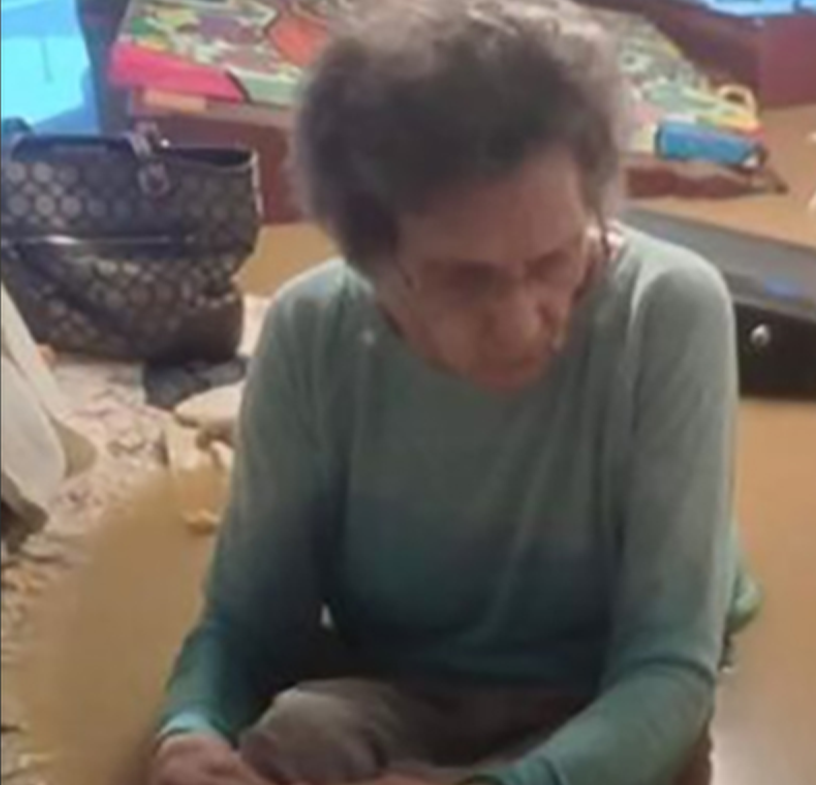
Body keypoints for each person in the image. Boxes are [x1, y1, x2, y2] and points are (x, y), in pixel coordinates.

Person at [146, 1, 757, 783]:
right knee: (294, 735)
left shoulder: (667, 312)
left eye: (554, 259)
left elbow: (670, 668)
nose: (521, 319)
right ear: (367, 257)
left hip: (601, 682)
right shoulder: (313, 330)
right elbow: (247, 620)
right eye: (465, 280)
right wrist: (188, 731)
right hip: (401, 676)